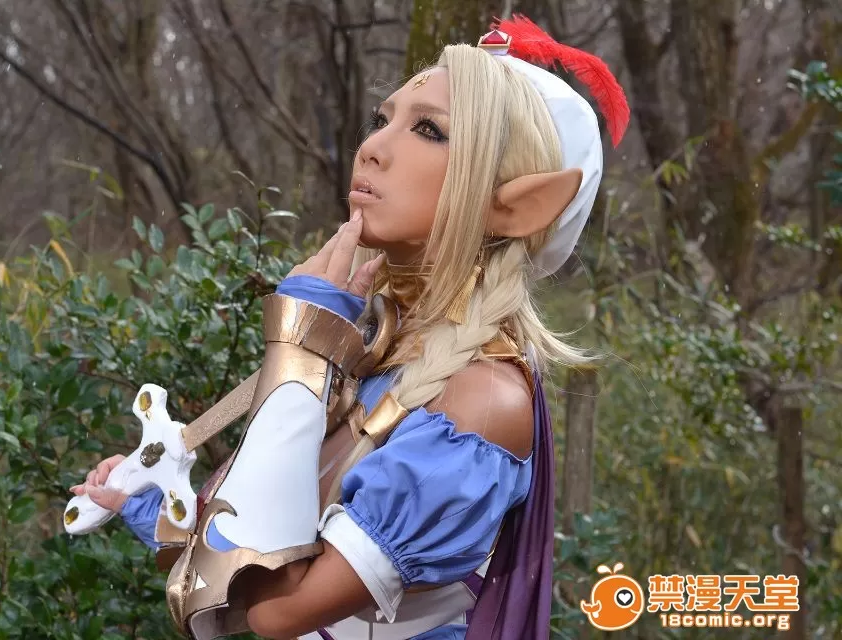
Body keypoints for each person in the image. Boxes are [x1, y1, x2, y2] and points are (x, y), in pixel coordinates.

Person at [69, 16, 629, 640]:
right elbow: (246, 563)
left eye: (428, 130)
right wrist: (153, 506)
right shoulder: (381, 352)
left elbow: (277, 610)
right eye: (382, 119)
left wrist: (300, 348)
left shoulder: (481, 403)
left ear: (516, 204)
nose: (373, 147)